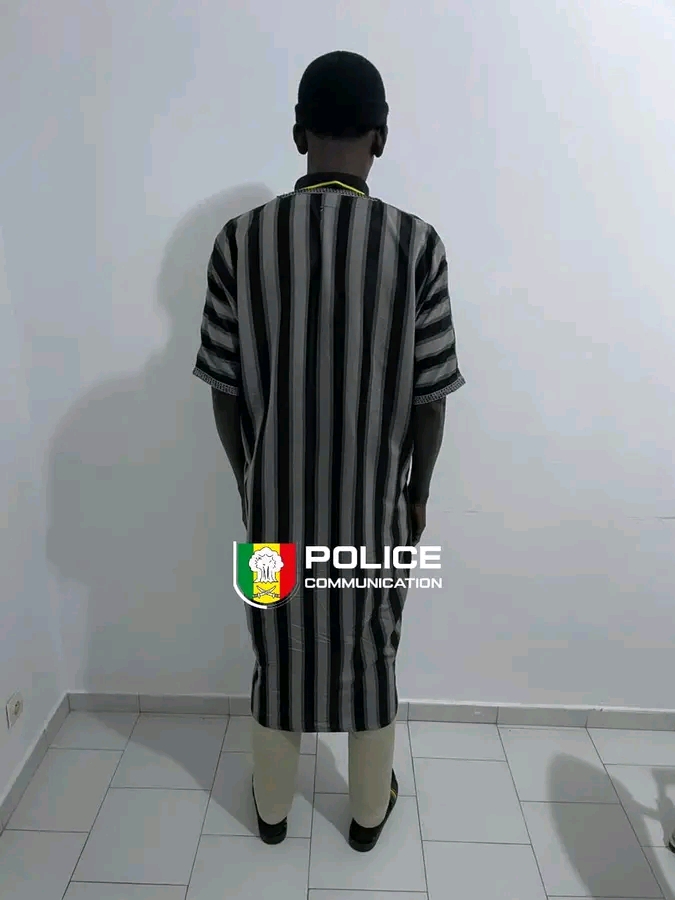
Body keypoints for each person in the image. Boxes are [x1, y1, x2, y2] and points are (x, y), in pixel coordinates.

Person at [193, 50, 465, 851]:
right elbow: (430, 397)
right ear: (380, 139)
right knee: (371, 647)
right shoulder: (416, 246)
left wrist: (250, 477)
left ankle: (272, 809)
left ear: (296, 134)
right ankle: (368, 813)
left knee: (274, 646)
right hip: (374, 513)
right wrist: (416, 495)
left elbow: (223, 389)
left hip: (271, 509)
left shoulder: (240, 242)